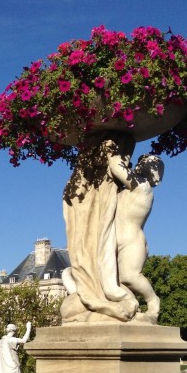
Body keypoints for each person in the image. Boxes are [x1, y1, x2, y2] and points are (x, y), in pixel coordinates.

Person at [61, 131, 138, 323]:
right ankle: (107, 303)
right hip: (98, 228)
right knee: (94, 255)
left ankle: (104, 302)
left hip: (107, 233)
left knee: (97, 258)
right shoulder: (95, 179)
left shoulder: (92, 182)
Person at [116, 154, 165, 323]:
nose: (143, 164)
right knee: (117, 281)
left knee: (130, 275)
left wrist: (111, 153)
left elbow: (116, 168)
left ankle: (153, 302)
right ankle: (132, 307)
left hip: (132, 239)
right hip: (115, 240)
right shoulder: (124, 190)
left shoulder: (143, 186)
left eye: (151, 164)